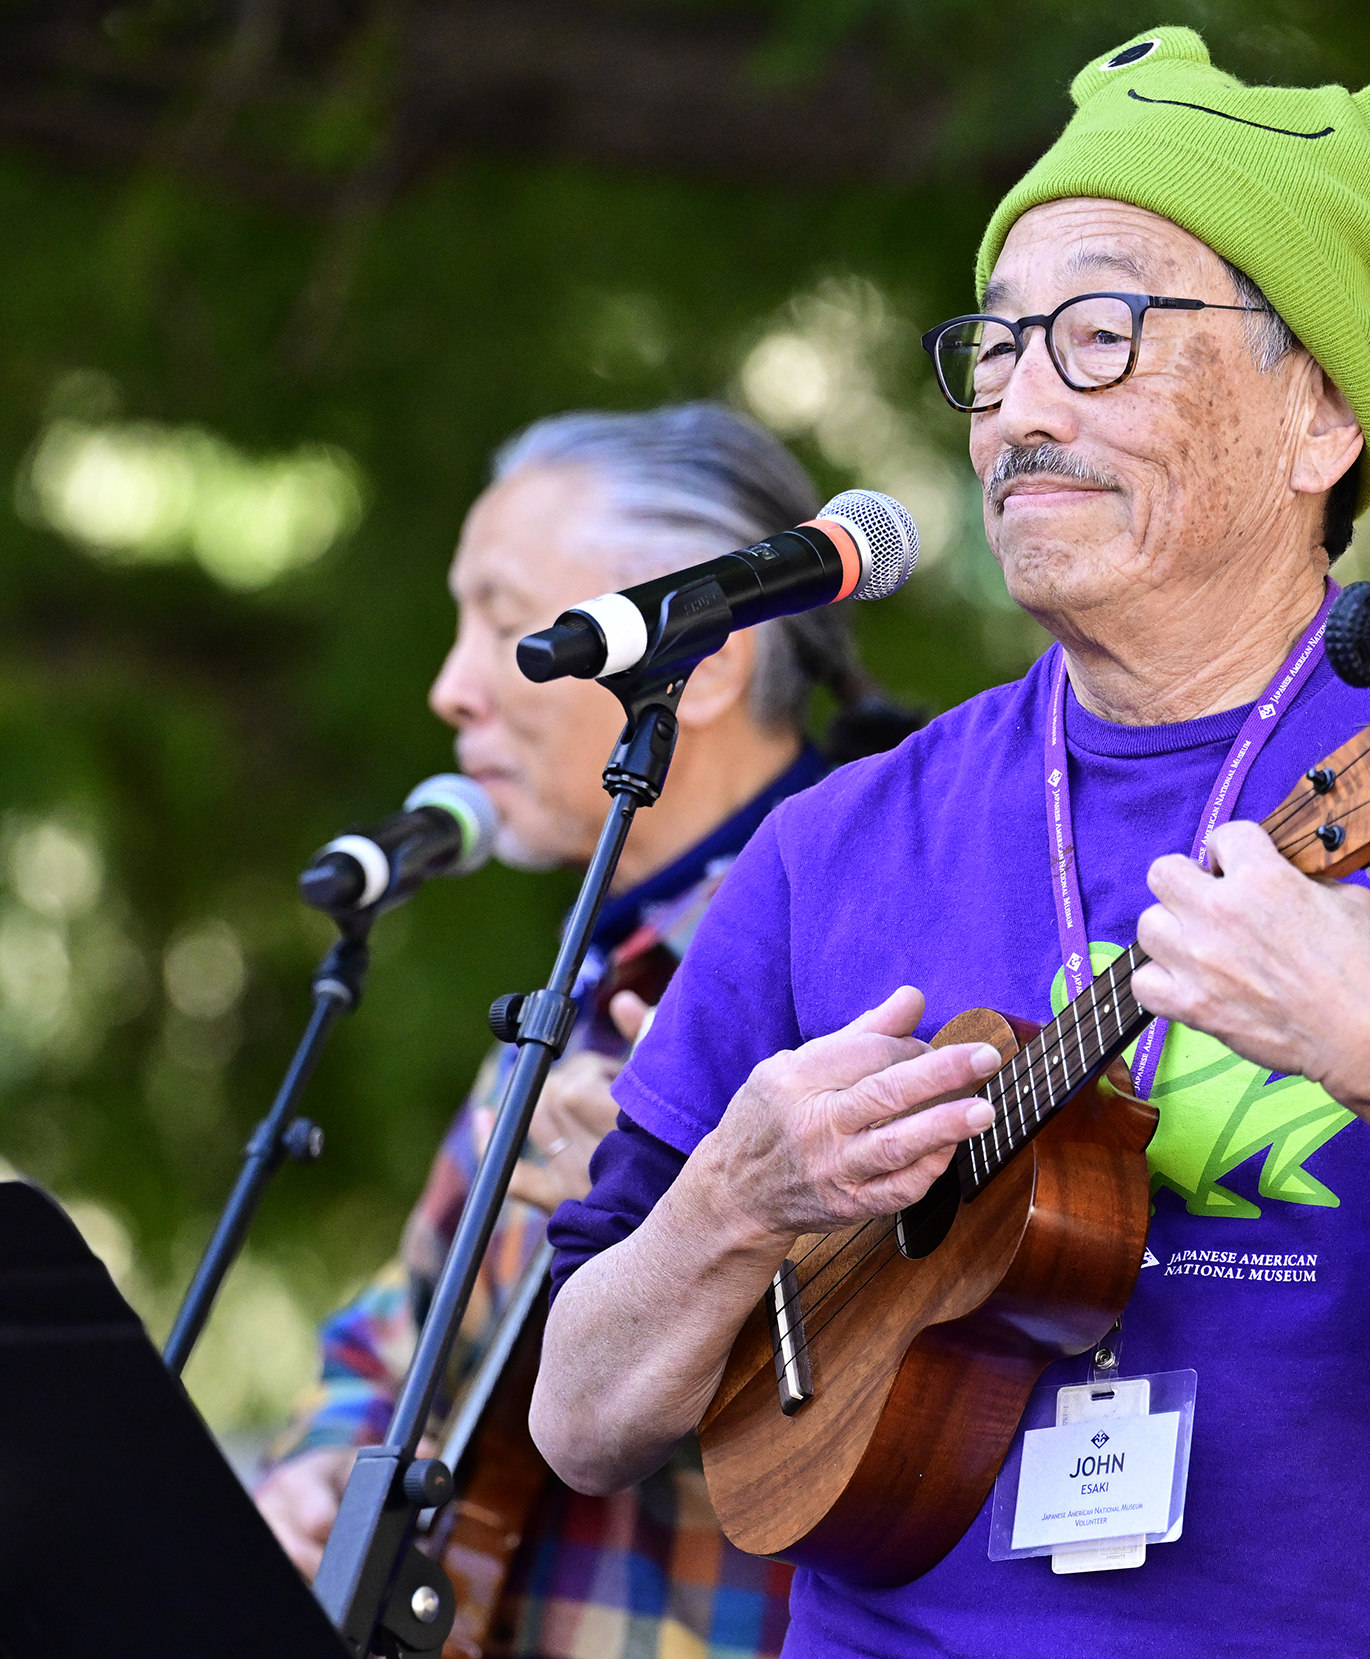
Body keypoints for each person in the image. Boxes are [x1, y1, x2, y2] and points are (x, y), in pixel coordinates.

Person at [531, 29, 1370, 1657]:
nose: (1022, 405)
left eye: (1104, 335)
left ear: (1316, 416)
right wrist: (731, 1201)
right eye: (995, 349)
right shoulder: (834, 838)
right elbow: (577, 1410)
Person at [254, 401, 913, 1658]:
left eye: (506, 628)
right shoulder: (587, 974)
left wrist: (687, 1212)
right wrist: (316, 1477)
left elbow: (913, 1389)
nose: (453, 689)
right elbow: (396, 1322)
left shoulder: (868, 952)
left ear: (705, 666)